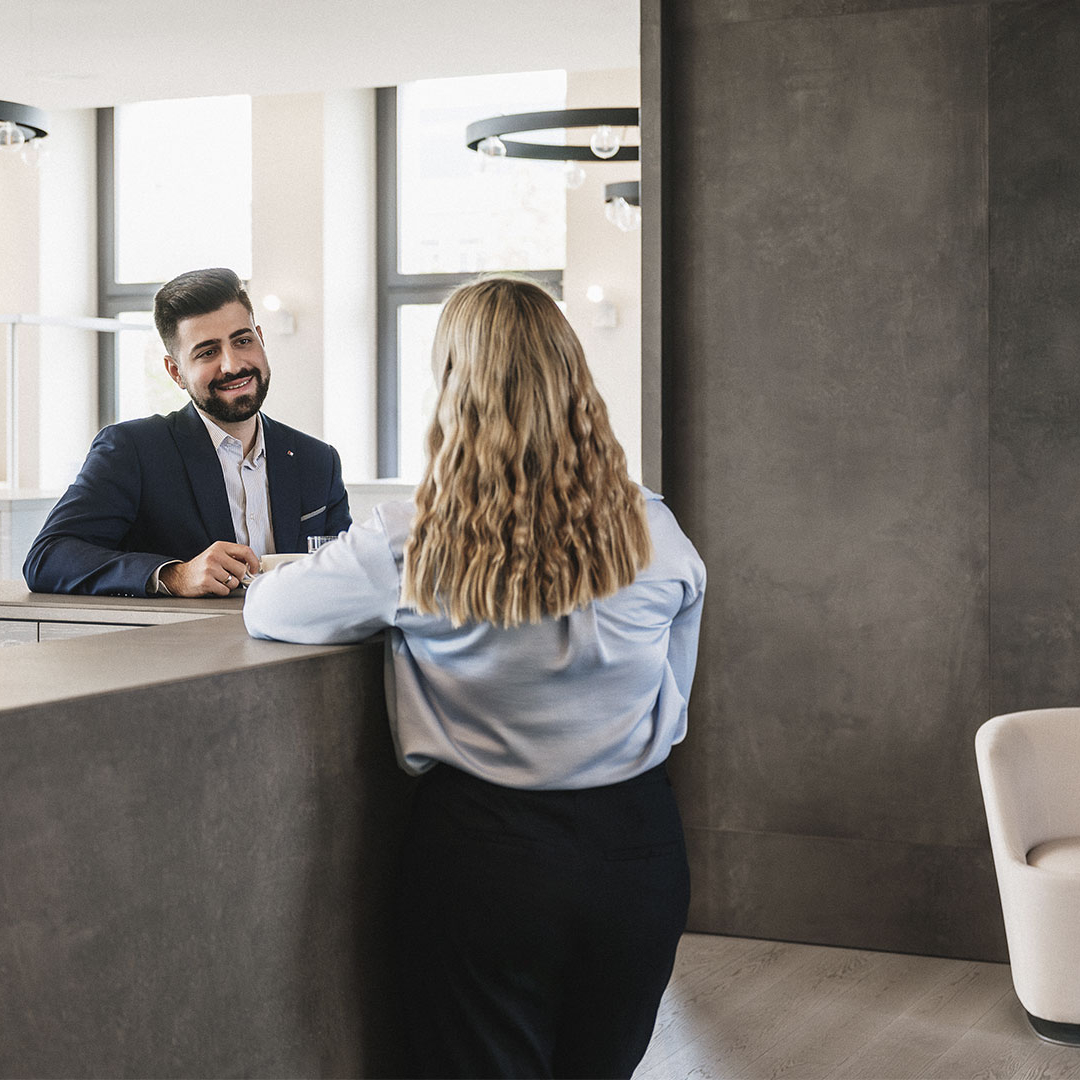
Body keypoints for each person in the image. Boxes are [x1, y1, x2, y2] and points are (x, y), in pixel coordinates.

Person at [243, 276, 705, 1080]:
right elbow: (677, 685)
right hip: (640, 853)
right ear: (573, 376)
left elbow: (269, 610)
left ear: (454, 383)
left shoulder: (410, 538)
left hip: (485, 859)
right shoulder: (655, 527)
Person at [23, 268, 351, 597]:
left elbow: (348, 573)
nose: (232, 365)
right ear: (176, 372)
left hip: (303, 645)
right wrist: (175, 575)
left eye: (243, 341)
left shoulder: (318, 461)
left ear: (261, 339)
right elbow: (47, 557)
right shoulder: (134, 450)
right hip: (183, 646)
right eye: (208, 352)